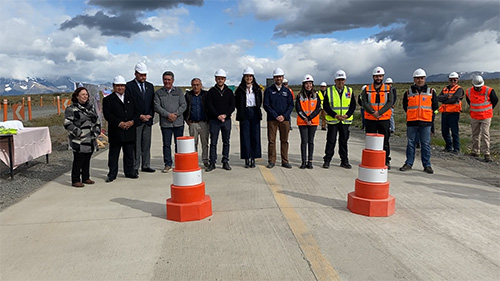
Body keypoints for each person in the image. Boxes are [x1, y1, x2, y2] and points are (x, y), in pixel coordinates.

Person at [399, 68, 439, 174]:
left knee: (425, 144)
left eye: (421, 78)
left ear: (424, 79)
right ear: (414, 79)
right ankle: (409, 163)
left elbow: (434, 107)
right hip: (412, 122)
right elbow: (405, 106)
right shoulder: (408, 92)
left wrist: (431, 123)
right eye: (417, 78)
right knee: (410, 143)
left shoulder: (431, 92)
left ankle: (427, 165)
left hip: (426, 122)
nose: (419, 80)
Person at [102, 75, 139, 182]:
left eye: (122, 86)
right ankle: (112, 174)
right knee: (114, 155)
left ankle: (129, 172)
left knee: (129, 154)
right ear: (114, 86)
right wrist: (119, 123)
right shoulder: (108, 100)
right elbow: (108, 115)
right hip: (116, 131)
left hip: (129, 130)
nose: (120, 88)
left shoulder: (131, 98)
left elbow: (137, 112)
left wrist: (131, 122)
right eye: (118, 86)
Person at [64, 87, 101, 187]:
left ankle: (86, 177)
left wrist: (97, 131)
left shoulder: (91, 108)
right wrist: (78, 132)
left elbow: (97, 120)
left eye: (86, 94)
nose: (85, 96)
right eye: (83, 94)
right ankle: (75, 179)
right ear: (77, 96)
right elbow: (67, 124)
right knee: (78, 159)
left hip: (91, 138)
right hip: (79, 139)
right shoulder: (71, 109)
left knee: (87, 158)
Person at [361, 66, 395, 169]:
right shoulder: (367, 89)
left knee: (385, 142)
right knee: (370, 141)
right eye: (376, 76)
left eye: (380, 76)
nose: (378, 78)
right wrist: (372, 112)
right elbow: (364, 102)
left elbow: (390, 102)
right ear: (373, 77)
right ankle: (371, 160)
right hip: (371, 119)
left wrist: (380, 112)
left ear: (383, 77)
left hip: (384, 119)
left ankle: (385, 160)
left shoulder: (388, 89)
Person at [154, 71, 187, 173]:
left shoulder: (179, 92)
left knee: (179, 144)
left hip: (178, 123)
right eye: (165, 79)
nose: (167, 81)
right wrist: (167, 115)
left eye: (169, 79)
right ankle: (168, 164)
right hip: (166, 123)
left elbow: (183, 105)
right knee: (166, 144)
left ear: (173, 80)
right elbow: (156, 106)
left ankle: (179, 163)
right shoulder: (158, 93)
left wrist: (175, 114)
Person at [322, 70, 356, 169]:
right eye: (338, 80)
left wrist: (347, 115)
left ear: (345, 80)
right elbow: (326, 105)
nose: (340, 82)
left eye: (342, 80)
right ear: (335, 80)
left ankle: (344, 161)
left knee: (343, 141)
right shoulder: (329, 90)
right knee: (331, 141)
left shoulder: (349, 90)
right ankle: (327, 160)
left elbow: (353, 105)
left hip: (345, 121)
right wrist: (335, 115)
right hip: (334, 120)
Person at [126, 62, 156, 174]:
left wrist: (150, 115)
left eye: (145, 75)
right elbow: (130, 104)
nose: (143, 77)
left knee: (146, 143)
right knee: (136, 144)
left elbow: (152, 103)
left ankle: (146, 165)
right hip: (137, 120)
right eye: (141, 75)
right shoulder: (129, 86)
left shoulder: (150, 86)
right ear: (135, 74)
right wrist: (139, 115)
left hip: (147, 120)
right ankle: (135, 166)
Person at [204, 69, 235, 172]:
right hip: (214, 121)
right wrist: (218, 115)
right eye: (218, 78)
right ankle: (212, 162)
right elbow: (209, 106)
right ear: (215, 79)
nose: (220, 80)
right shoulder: (211, 92)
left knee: (226, 142)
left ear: (225, 79)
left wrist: (225, 115)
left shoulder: (229, 92)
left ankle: (225, 161)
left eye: (222, 78)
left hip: (226, 121)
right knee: (213, 142)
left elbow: (232, 106)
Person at [263, 68, 294, 169]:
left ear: (283, 78)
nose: (278, 78)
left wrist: (284, 116)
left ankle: (285, 161)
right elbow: (266, 105)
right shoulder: (269, 90)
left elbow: (291, 105)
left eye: (280, 77)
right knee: (272, 141)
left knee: (284, 141)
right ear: (274, 78)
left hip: (284, 120)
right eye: (276, 77)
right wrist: (276, 115)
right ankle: (271, 160)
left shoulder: (287, 91)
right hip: (272, 120)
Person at [465, 75, 498, 162]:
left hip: (485, 117)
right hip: (475, 116)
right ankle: (475, 151)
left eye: (480, 87)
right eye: (477, 87)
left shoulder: (489, 90)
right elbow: (469, 102)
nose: (478, 88)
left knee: (485, 134)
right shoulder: (468, 91)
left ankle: (486, 154)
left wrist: (489, 109)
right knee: (475, 134)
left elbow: (495, 100)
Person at [235, 67, 262, 168]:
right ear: (244, 77)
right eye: (247, 76)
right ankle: (247, 158)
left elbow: (260, 101)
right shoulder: (240, 89)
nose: (249, 78)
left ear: (253, 77)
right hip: (244, 113)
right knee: (245, 136)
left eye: (250, 76)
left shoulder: (257, 89)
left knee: (255, 136)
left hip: (255, 112)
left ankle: (253, 158)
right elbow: (237, 102)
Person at [295, 74, 321, 169]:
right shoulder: (299, 96)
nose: (308, 85)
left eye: (310, 83)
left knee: (311, 141)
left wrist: (310, 118)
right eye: (306, 83)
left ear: (312, 84)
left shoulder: (316, 95)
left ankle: (310, 161)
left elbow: (318, 108)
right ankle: (303, 161)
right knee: (304, 141)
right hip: (303, 122)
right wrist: (305, 119)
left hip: (313, 122)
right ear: (303, 84)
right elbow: (298, 108)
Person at [184, 78, 209, 167]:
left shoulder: (205, 94)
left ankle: (205, 160)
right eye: (194, 85)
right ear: (191, 85)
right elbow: (185, 108)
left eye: (197, 85)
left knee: (205, 143)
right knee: (193, 143)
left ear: (201, 85)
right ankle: (193, 161)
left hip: (204, 122)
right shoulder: (188, 95)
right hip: (193, 123)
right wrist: (186, 119)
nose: (196, 86)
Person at [438, 72, 464, 154]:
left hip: (454, 113)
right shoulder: (445, 89)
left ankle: (456, 148)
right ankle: (448, 146)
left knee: (454, 132)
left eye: (454, 79)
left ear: (457, 80)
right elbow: (439, 98)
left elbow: (454, 99)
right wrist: (447, 97)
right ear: (449, 80)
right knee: (444, 131)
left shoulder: (459, 89)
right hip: (445, 113)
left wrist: (445, 99)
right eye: (451, 79)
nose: (453, 81)